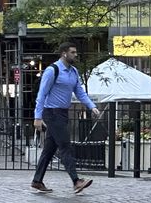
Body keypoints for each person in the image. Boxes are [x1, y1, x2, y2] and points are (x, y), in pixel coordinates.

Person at [31, 42, 100, 194]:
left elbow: (80, 92)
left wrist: (91, 106)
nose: (76, 55)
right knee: (65, 146)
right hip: (52, 113)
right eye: (73, 52)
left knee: (49, 150)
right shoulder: (52, 70)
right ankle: (76, 181)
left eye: (75, 52)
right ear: (64, 53)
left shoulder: (73, 71)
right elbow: (41, 95)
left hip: (62, 113)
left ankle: (37, 181)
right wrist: (37, 117)